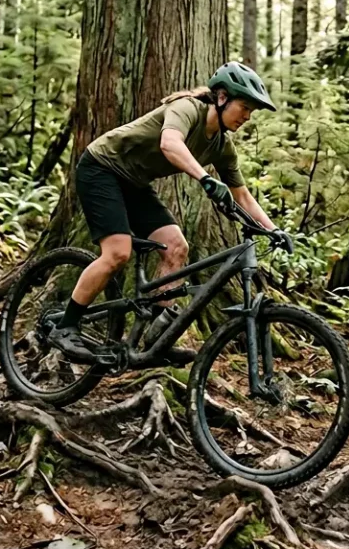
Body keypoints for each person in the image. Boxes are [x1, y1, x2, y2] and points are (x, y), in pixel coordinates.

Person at [48, 62, 290, 360]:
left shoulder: (222, 147)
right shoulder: (187, 108)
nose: (247, 117)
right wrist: (205, 179)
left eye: (251, 111)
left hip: (134, 183)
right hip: (102, 167)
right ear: (222, 97)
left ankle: (154, 341)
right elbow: (170, 143)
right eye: (244, 107)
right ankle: (65, 326)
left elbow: (242, 195)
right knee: (117, 252)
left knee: (175, 247)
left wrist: (273, 230)